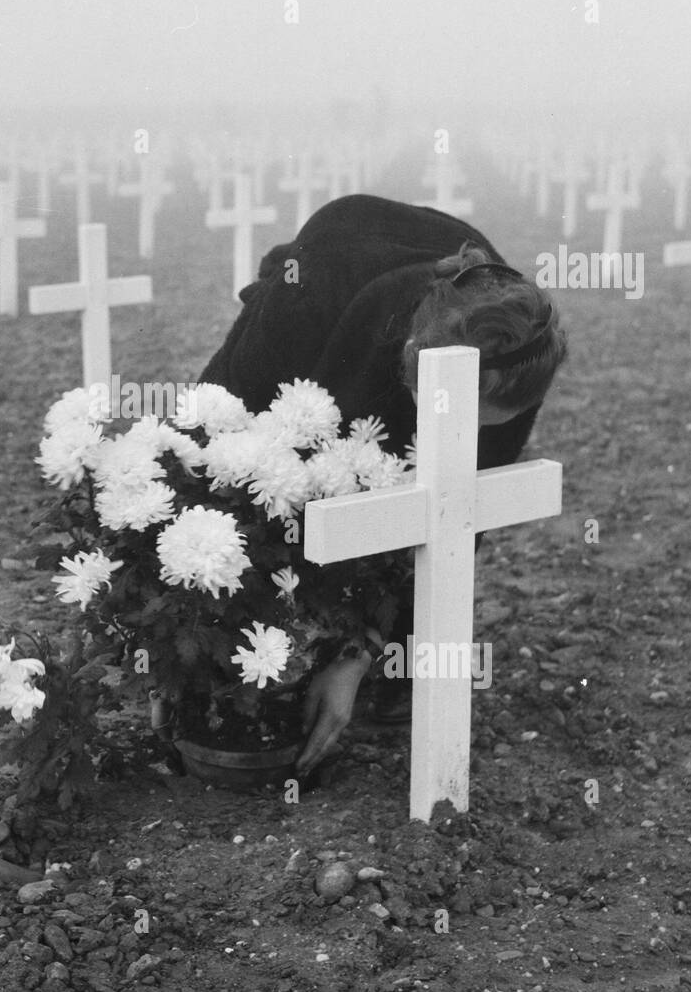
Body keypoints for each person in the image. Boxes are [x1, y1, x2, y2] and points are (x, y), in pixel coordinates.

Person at [197, 192, 569, 777]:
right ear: (411, 358)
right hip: (325, 286)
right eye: (451, 413)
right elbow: (215, 435)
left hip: (429, 324)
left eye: (482, 422)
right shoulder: (308, 302)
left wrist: (364, 650)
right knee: (254, 490)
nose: (463, 436)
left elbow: (451, 512)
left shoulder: (517, 352)